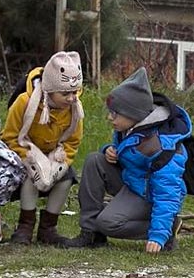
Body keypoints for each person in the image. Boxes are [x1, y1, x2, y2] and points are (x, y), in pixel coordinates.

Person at [65, 67, 192, 253]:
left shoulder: (162, 145)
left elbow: (167, 195)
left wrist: (158, 235)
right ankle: (91, 233)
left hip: (152, 195)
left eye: (115, 113)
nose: (110, 118)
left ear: (133, 113)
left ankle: (169, 229)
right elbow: (130, 152)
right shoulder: (131, 127)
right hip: (134, 182)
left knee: (108, 222)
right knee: (95, 160)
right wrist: (110, 151)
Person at [0, 51, 84, 246]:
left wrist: (61, 162)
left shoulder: (75, 109)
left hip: (56, 154)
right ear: (49, 90)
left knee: (66, 178)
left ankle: (48, 228)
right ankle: (25, 226)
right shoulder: (24, 103)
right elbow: (10, 136)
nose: (72, 98)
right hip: (24, 153)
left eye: (75, 92)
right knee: (33, 178)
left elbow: (73, 141)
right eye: (65, 94)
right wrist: (29, 158)